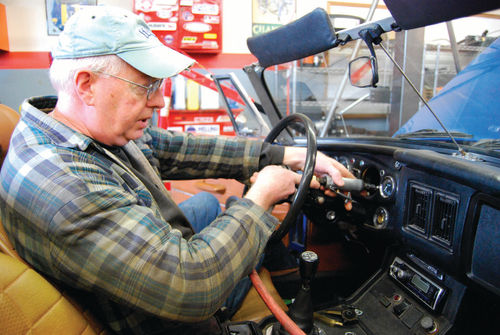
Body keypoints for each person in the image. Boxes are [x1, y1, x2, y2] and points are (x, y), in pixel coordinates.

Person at [0, 6, 353, 334]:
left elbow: (178, 148)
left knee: (205, 205)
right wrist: (260, 198)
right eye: (146, 86)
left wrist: (285, 154)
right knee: (243, 216)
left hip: (134, 253)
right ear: (86, 85)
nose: (159, 101)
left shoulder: (82, 124)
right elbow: (192, 287)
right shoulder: (64, 182)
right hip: (168, 313)